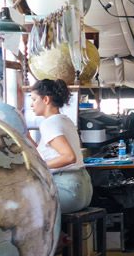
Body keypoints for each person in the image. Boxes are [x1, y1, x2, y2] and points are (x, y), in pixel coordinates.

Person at [30, 78, 93, 214]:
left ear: (46, 100)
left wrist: (40, 166)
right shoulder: (65, 120)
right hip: (83, 190)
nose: (31, 104)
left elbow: (69, 157)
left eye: (34, 99)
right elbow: (48, 152)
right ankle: (63, 235)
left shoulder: (49, 124)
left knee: (25, 210)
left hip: (68, 190)